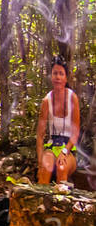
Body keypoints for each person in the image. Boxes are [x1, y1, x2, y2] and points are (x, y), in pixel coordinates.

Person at [37, 57, 79, 185]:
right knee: (45, 168)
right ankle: (39, 203)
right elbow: (40, 136)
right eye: (55, 73)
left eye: (61, 74)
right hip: (51, 146)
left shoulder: (73, 98)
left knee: (61, 167)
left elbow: (75, 133)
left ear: (66, 78)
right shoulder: (46, 101)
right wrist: (40, 162)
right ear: (51, 76)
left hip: (68, 148)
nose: (58, 77)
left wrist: (65, 151)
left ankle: (60, 204)